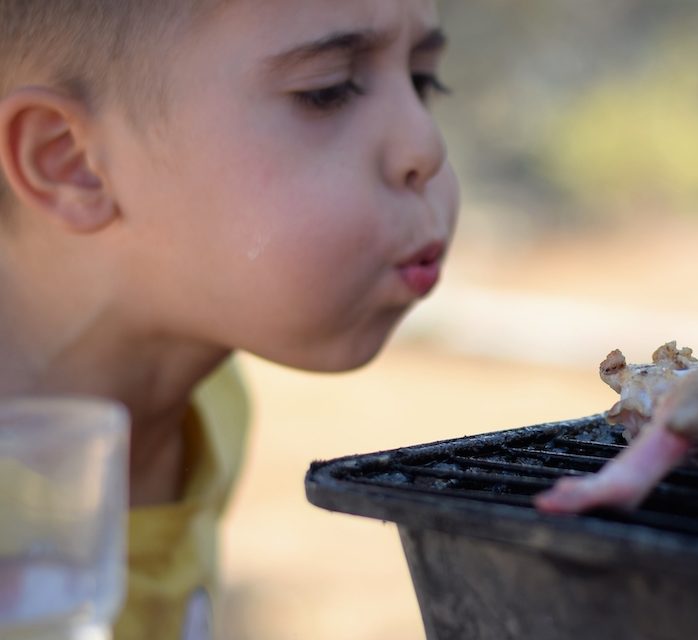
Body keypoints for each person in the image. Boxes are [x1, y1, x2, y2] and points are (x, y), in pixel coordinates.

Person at [0, 0, 459, 637]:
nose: (427, 147)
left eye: (422, 81)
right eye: (326, 91)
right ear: (72, 162)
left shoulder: (211, 403)